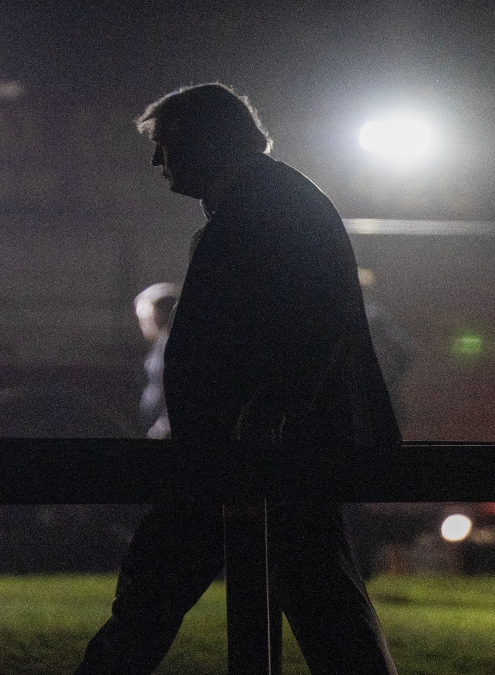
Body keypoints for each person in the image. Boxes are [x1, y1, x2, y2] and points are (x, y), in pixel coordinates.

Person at [75, 83, 400, 675]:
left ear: (207, 140)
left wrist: (259, 423)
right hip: (258, 451)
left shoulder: (261, 210)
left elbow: (300, 332)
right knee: (324, 604)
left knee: (153, 597)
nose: (156, 161)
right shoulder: (274, 200)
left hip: (251, 454)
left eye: (166, 144)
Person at [134, 283, 178, 439]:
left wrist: (164, 425)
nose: (141, 321)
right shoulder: (158, 346)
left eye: (144, 315)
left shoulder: (168, 347)